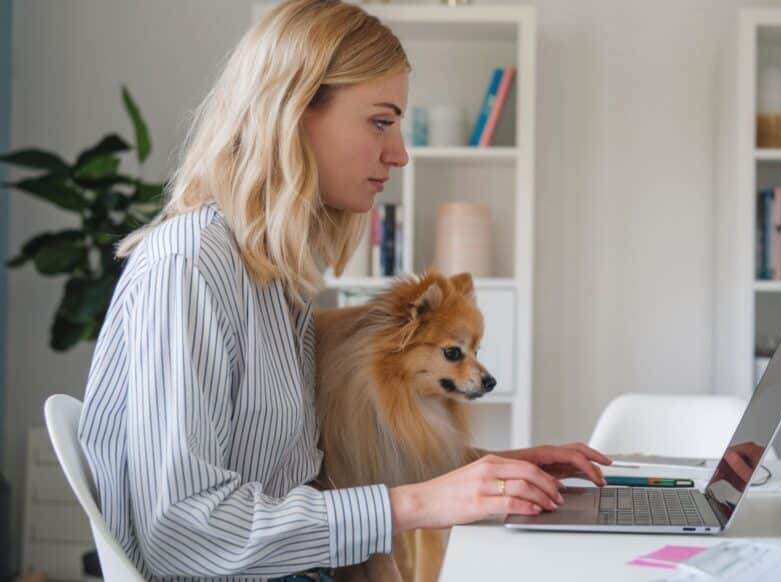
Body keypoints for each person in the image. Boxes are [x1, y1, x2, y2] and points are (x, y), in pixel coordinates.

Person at [77, 1, 610, 580]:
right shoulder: (190, 265)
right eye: (380, 122)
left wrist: (490, 467)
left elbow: (304, 481)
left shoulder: (274, 278)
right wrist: (422, 502)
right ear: (293, 110)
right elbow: (183, 534)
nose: (399, 153)